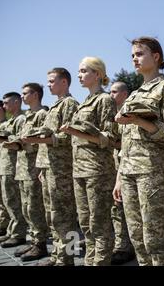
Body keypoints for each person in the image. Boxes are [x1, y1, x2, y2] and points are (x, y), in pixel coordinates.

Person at [113, 37, 164, 266]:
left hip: (155, 173)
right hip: (129, 173)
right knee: (137, 237)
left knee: (157, 238)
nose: (135, 58)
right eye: (132, 55)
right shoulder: (133, 95)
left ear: (156, 57)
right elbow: (125, 143)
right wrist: (119, 178)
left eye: (140, 53)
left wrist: (140, 121)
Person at [60, 57, 118, 265]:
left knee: (99, 223)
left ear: (98, 74)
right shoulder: (83, 103)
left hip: (98, 170)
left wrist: (78, 132)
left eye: (84, 71)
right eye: (79, 71)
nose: (79, 75)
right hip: (79, 170)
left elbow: (110, 138)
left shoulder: (105, 100)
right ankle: (90, 261)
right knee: (85, 223)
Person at [23, 68, 79, 266]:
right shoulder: (55, 106)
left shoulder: (70, 104)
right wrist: (41, 166)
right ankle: (57, 255)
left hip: (62, 169)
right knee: (52, 216)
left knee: (66, 217)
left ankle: (68, 258)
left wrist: (43, 139)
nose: (48, 84)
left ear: (64, 82)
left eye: (52, 81)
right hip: (49, 167)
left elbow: (71, 135)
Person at [12, 83, 49, 261]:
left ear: (35, 95)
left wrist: (26, 141)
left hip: (34, 167)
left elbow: (43, 139)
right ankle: (34, 240)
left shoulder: (43, 114)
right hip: (23, 167)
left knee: (35, 208)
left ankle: (40, 244)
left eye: (25, 93)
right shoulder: (28, 116)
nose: (23, 96)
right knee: (27, 208)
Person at [109, 81, 136, 265]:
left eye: (114, 92)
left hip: (129, 163)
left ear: (124, 94)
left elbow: (127, 141)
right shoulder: (114, 113)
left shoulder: (129, 111)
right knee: (117, 207)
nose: (110, 95)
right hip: (115, 163)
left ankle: (126, 247)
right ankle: (122, 244)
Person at [0, 92, 27, 248]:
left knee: (14, 202)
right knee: (8, 202)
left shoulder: (21, 119)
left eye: (6, 103)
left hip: (13, 165)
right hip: (4, 166)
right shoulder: (9, 122)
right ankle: (12, 231)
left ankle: (18, 234)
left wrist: (6, 139)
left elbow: (20, 141)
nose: (4, 106)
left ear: (17, 102)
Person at [0, 99, 10, 237]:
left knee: (9, 201)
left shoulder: (7, 124)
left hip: (10, 166)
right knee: (1, 200)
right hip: (2, 165)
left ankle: (5, 227)